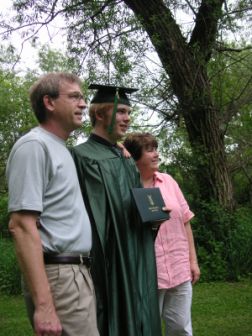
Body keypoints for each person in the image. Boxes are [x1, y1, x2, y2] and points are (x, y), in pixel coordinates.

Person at [6, 72, 99, 336]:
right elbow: (21, 226)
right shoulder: (34, 146)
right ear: (49, 102)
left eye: (82, 97)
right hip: (58, 275)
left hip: (75, 272)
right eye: (74, 97)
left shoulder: (60, 148)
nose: (83, 103)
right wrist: (44, 306)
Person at [71, 84, 162, 336]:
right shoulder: (82, 156)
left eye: (128, 112)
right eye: (121, 111)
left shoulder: (126, 160)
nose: (127, 118)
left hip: (135, 253)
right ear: (100, 114)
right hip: (107, 258)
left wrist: (152, 219)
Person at [124, 132, 201, 336]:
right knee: (147, 329)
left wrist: (192, 261)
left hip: (179, 268)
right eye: (150, 150)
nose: (156, 154)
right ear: (134, 157)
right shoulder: (126, 187)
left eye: (156, 148)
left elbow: (185, 221)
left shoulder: (168, 181)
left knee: (181, 328)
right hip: (148, 272)